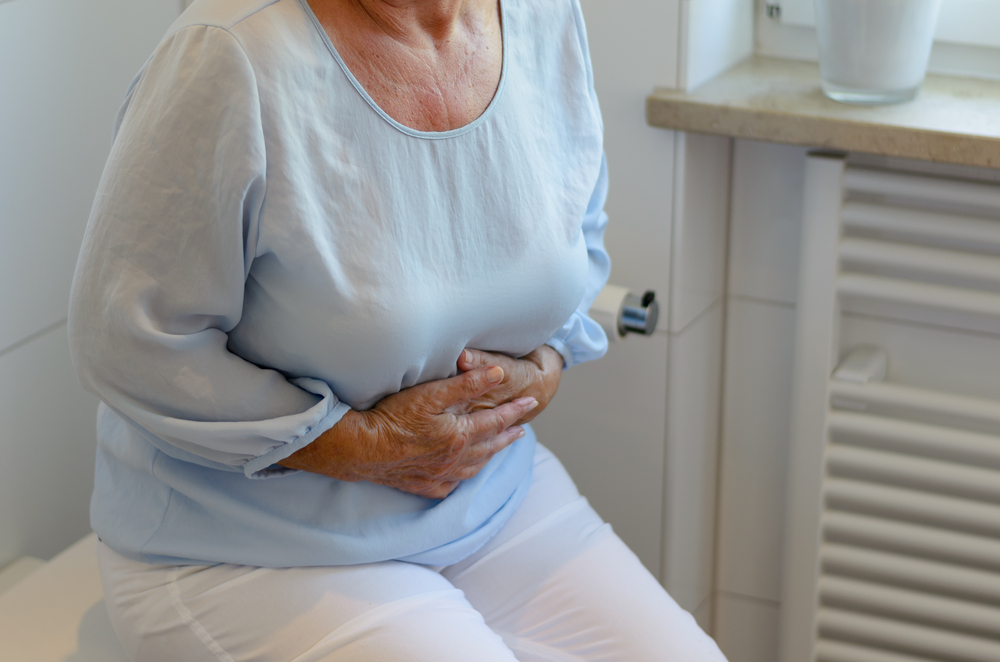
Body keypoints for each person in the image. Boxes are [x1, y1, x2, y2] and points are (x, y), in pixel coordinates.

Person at [68, 0, 728, 659]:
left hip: (490, 500)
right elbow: (126, 338)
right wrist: (360, 442)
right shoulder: (229, 53)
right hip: (246, 546)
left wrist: (546, 362)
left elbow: (577, 231)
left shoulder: (544, 15)